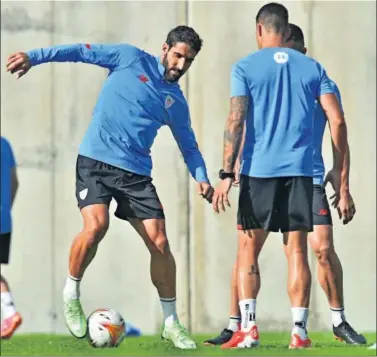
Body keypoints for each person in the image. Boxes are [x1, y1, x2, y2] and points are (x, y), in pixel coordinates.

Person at [6, 25, 214, 349]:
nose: (180, 65)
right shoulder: (129, 58)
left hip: (136, 175)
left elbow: (189, 147)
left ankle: (171, 323)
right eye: (177, 56)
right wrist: (34, 57)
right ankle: (72, 293)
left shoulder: (175, 101)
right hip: (95, 161)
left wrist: (202, 177)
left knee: (160, 242)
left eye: (188, 60)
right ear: (164, 48)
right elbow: (80, 50)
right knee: (96, 227)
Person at [205, 23, 366, 348]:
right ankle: (236, 324)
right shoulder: (273, 74)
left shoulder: (316, 79)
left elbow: (338, 124)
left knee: (320, 249)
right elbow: (253, 119)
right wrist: (235, 162)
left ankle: (337, 320)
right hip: (265, 173)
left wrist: (343, 181)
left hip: (307, 176)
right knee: (248, 250)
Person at [0, 137, 22, 339]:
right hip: (4, 218)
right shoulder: (5, 144)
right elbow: (15, 182)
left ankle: (10, 312)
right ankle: (10, 312)